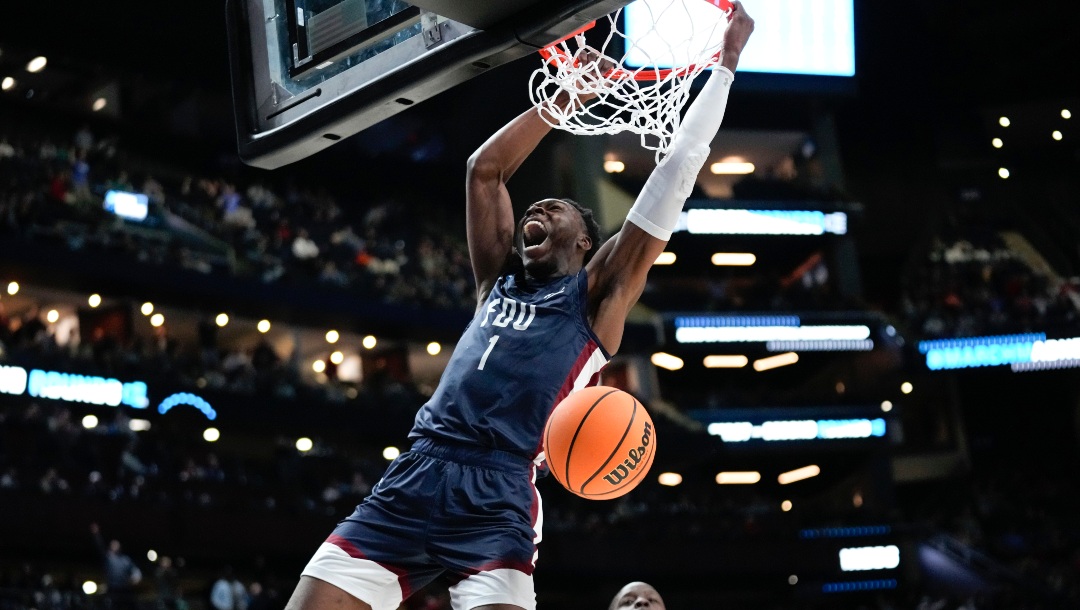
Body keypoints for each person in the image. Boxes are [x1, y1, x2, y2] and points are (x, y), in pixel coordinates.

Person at [286, 5, 755, 610]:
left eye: (554, 207)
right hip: (416, 472)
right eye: (533, 207)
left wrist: (728, 64)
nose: (537, 210)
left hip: (499, 490)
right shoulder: (495, 284)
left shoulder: (596, 296)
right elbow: (485, 172)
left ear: (586, 241)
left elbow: (679, 165)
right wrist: (560, 101)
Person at [90, 523, 142, 610]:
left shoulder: (125, 559)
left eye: (116, 544)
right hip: (113, 588)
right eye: (113, 545)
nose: (115, 546)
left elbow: (135, 570)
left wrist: (137, 576)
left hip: (125, 588)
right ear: (110, 547)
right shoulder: (109, 558)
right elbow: (100, 546)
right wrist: (96, 534)